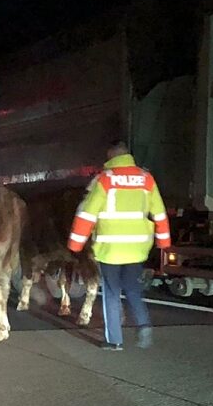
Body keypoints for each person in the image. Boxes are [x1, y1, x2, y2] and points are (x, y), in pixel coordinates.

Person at [67, 141, 171, 351]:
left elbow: (87, 214)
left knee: (112, 293)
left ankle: (114, 341)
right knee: (133, 289)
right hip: (137, 249)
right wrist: (163, 242)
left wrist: (75, 245)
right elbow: (159, 213)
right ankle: (144, 325)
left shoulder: (104, 180)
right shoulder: (146, 179)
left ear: (111, 157)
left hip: (110, 249)